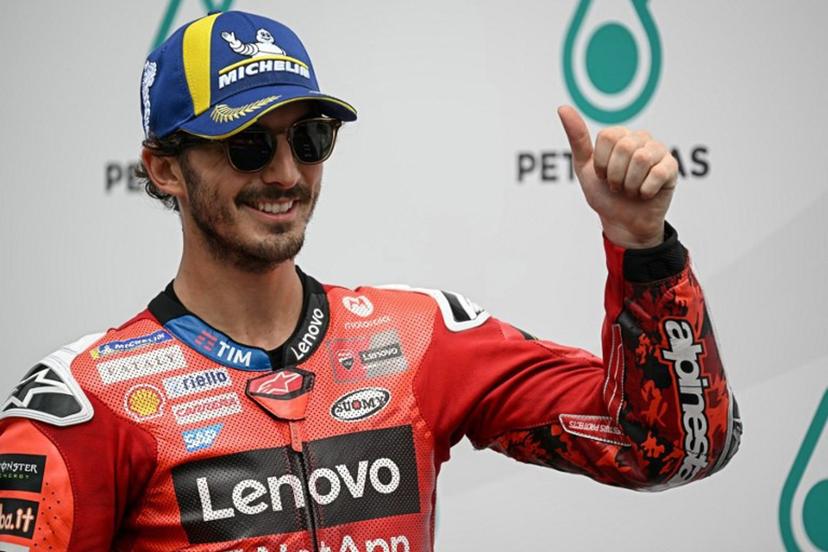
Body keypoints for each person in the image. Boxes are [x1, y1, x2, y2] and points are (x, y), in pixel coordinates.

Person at [0, 10, 741, 552]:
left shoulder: (419, 339)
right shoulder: (88, 403)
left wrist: (642, 246)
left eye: (310, 139)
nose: (286, 173)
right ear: (163, 167)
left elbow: (667, 449)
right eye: (249, 144)